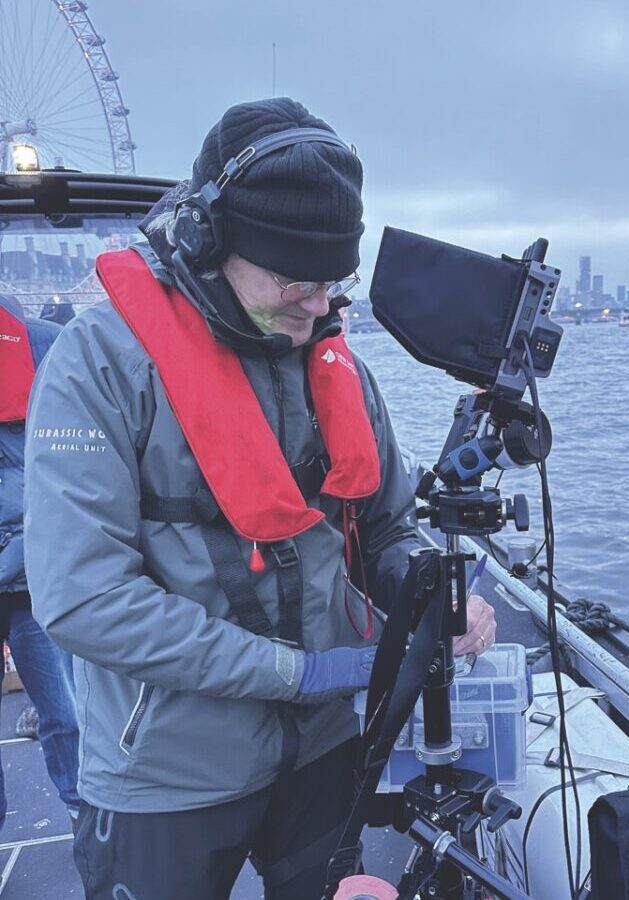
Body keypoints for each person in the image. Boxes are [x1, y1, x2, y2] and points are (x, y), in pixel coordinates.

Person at [23, 97, 496, 900]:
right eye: (295, 283)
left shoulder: (337, 361)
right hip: (162, 775)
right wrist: (301, 673)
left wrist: (429, 593)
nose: (320, 308)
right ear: (210, 244)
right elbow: (83, 599)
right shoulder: (95, 368)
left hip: (320, 751)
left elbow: (383, 525)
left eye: (333, 283)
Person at [0, 294, 79, 829]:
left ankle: (89, 825)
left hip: (30, 576)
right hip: (29, 560)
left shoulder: (42, 343)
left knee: (65, 714)